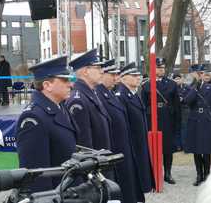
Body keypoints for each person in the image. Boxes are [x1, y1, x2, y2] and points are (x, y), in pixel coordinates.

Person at [16, 56, 77, 192]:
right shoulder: (33, 118)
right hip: (57, 196)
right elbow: (36, 177)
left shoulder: (60, 107)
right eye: (64, 80)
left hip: (71, 192)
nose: (71, 84)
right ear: (47, 85)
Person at [95, 59, 140, 203]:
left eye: (117, 74)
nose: (116, 78)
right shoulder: (100, 95)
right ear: (102, 74)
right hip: (113, 153)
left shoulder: (109, 94)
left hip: (122, 151)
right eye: (112, 74)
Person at [115, 62, 154, 195]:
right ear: (123, 78)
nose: (138, 78)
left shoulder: (133, 94)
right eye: (134, 75)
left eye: (139, 75)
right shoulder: (121, 96)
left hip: (139, 143)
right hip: (132, 145)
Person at [141, 58, 181, 185]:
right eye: (158, 68)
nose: (161, 70)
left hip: (167, 119)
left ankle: (168, 173)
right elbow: (143, 104)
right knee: (153, 147)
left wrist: (177, 123)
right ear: (153, 69)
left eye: (162, 68)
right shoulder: (146, 85)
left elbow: (176, 106)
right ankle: (154, 173)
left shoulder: (172, 84)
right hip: (152, 119)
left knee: (168, 148)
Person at [66, 49, 112, 150]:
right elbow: (84, 146)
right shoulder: (78, 101)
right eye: (98, 68)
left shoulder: (90, 94)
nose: (102, 71)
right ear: (86, 71)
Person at [183, 64, 211, 186]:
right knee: (196, 149)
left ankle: (207, 174)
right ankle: (199, 175)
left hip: (206, 120)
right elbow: (187, 101)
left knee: (206, 149)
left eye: (204, 73)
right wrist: (196, 88)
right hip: (194, 120)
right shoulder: (191, 87)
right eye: (201, 73)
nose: (203, 75)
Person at [173, 72, 190, 151]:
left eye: (178, 79)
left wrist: (183, 99)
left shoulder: (186, 87)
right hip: (175, 110)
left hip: (184, 110)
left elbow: (190, 96)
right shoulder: (172, 88)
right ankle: (178, 145)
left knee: (184, 127)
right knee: (176, 128)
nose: (177, 81)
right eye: (175, 79)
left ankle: (185, 145)